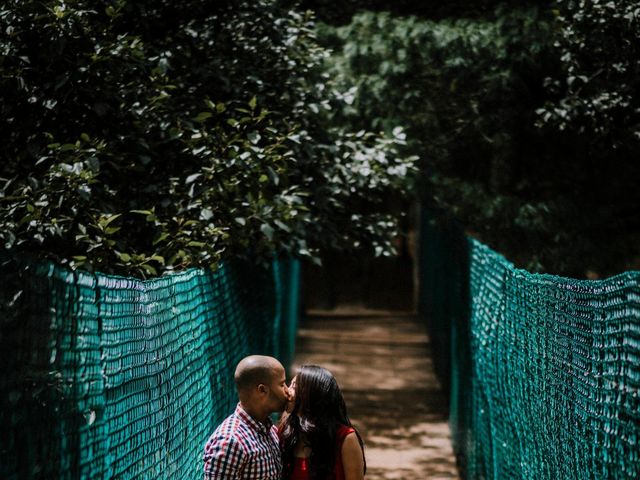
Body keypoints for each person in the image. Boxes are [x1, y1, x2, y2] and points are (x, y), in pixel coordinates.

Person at [203, 355, 291, 479]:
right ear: (262, 390)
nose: (288, 391)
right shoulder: (231, 441)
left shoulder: (269, 430)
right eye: (282, 384)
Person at [279, 365, 366, 480]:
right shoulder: (285, 431)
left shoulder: (346, 438)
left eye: (293, 386)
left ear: (311, 395)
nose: (287, 391)